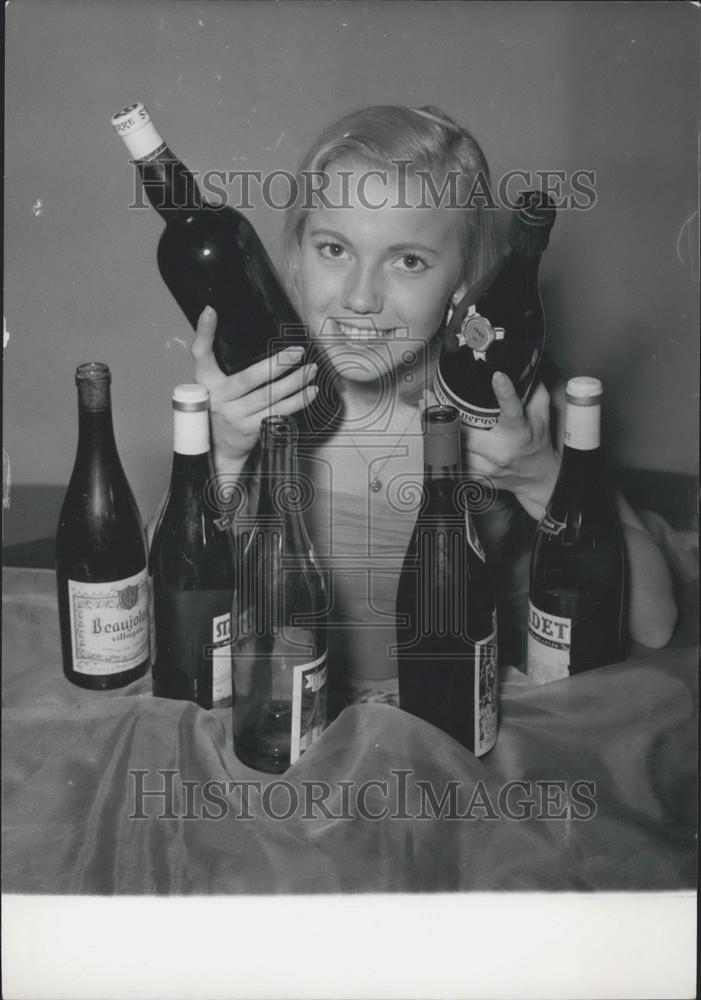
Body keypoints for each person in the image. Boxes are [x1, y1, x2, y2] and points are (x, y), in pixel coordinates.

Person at [188, 105, 677, 714]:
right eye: (333, 249)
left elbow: (656, 621)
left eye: (409, 261)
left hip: (456, 715)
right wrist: (222, 455)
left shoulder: (504, 401)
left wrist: (540, 477)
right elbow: (169, 604)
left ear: (465, 286)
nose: (360, 298)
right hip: (288, 716)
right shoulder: (256, 389)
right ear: (295, 256)